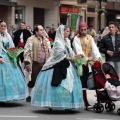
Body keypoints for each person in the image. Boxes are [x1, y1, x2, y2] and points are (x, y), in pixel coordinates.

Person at [31, 25, 83, 110]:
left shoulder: (67, 41)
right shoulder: (58, 42)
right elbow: (60, 55)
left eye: (69, 31)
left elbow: (70, 52)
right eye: (66, 31)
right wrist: (72, 59)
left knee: (71, 84)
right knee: (59, 84)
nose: (68, 33)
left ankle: (68, 104)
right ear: (62, 32)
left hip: (68, 65)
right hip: (58, 64)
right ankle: (53, 103)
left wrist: (77, 57)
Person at [72, 22, 102, 109]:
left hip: (89, 62)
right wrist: (86, 59)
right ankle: (85, 102)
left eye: (85, 29)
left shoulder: (90, 38)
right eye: (82, 30)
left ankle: (97, 99)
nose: (83, 31)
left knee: (94, 80)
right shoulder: (76, 39)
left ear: (87, 29)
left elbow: (95, 49)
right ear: (79, 30)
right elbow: (79, 51)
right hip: (80, 63)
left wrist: (98, 58)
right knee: (82, 82)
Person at [0, 20, 28, 102]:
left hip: (8, 57)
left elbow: (11, 46)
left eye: (4, 26)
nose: (3, 27)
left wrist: (14, 55)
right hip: (1, 57)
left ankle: (10, 96)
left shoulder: (8, 35)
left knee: (11, 78)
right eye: (1, 26)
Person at [24, 25, 51, 102]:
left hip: (45, 64)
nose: (43, 31)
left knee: (44, 81)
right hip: (35, 63)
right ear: (36, 32)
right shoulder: (31, 39)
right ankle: (29, 95)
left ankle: (40, 96)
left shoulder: (46, 40)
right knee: (32, 80)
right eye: (41, 30)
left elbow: (50, 52)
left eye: (43, 29)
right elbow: (27, 52)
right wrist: (28, 63)